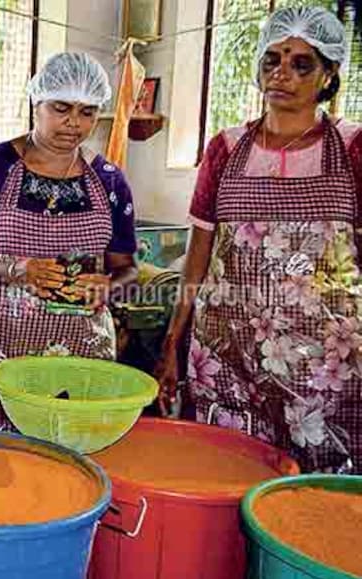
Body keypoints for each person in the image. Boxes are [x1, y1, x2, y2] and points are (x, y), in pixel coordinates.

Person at [157, 6, 361, 473]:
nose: (281, 73)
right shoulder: (226, 148)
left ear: (329, 73)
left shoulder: (352, 148)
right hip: (228, 357)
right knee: (228, 472)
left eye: (300, 63)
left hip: (323, 365)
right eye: (272, 60)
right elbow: (198, 255)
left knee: (318, 487)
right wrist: (174, 342)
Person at [0, 52, 139, 430]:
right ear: (36, 103)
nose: (73, 123)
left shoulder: (108, 180)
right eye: (61, 108)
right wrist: (15, 270)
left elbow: (128, 271)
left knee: (70, 465)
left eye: (87, 112)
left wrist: (109, 287)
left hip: (81, 359)